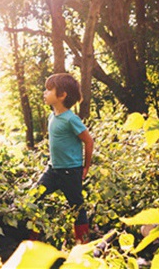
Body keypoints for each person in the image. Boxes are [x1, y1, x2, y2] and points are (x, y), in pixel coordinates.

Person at [36, 72, 94, 244]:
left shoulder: (71, 119)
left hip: (70, 171)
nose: (44, 93)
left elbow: (88, 141)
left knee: (77, 207)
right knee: (33, 198)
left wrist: (86, 167)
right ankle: (33, 239)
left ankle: (82, 243)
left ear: (61, 95)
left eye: (49, 90)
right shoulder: (51, 117)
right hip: (53, 170)